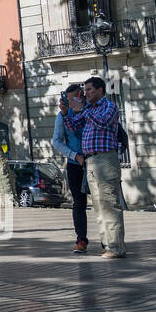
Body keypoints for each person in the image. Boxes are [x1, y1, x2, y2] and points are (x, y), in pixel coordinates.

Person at [64, 76, 125, 258]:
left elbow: (102, 122)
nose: (86, 93)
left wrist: (82, 109)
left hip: (105, 160)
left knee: (110, 204)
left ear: (100, 90)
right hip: (90, 162)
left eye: (89, 89)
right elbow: (75, 126)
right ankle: (107, 244)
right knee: (98, 206)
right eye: (86, 90)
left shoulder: (109, 107)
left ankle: (116, 247)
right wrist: (67, 112)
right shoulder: (89, 109)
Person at [52, 84, 89, 253]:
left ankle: (108, 240)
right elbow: (57, 141)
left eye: (73, 98)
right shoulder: (62, 116)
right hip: (75, 164)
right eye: (68, 99)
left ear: (81, 96)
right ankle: (81, 239)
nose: (71, 102)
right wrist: (75, 155)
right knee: (78, 203)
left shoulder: (90, 111)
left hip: (95, 160)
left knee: (102, 201)